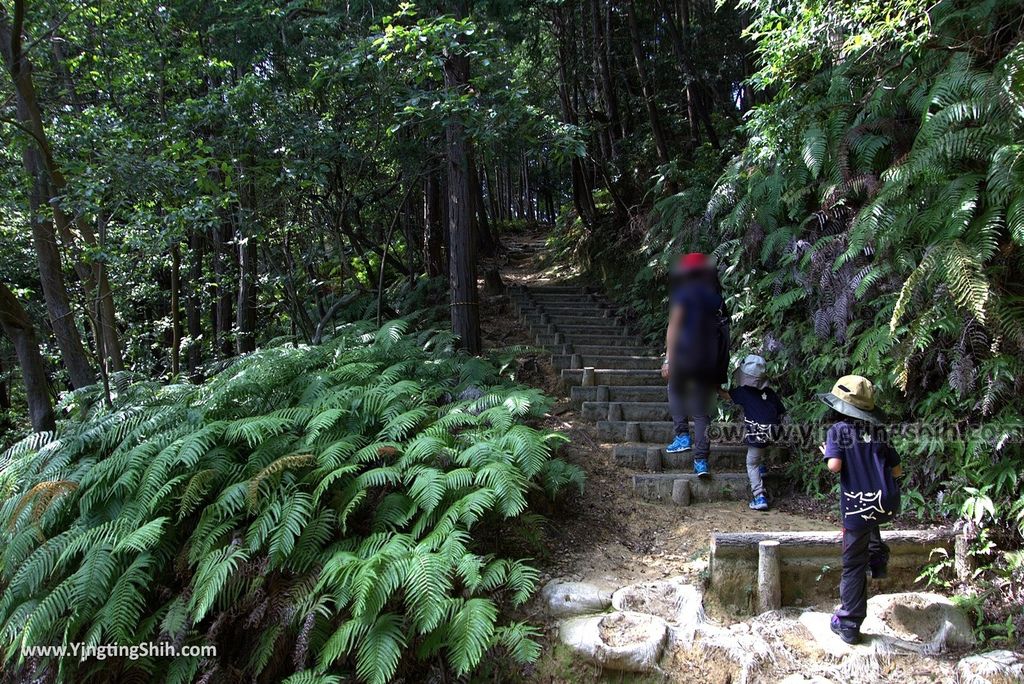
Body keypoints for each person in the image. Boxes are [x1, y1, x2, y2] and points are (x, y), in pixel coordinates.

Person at [817, 375, 903, 645]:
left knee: (852, 563)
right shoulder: (879, 431)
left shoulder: (838, 431)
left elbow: (834, 466)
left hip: (857, 506)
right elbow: (897, 470)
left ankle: (849, 622)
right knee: (872, 520)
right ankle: (877, 558)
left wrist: (826, 453)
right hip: (885, 502)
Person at [661, 252, 729, 478]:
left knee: (674, 388)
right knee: (701, 413)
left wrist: (669, 358)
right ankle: (701, 462)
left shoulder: (684, 294)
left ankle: (682, 435)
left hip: (685, 356)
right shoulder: (716, 297)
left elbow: (674, 327)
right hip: (708, 360)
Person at [718, 354, 785, 511]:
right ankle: (762, 467)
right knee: (761, 447)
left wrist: (716, 388)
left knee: (751, 463)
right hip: (773, 430)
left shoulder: (744, 391)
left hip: (757, 432)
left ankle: (759, 495)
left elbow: (727, 396)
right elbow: (781, 411)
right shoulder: (770, 392)